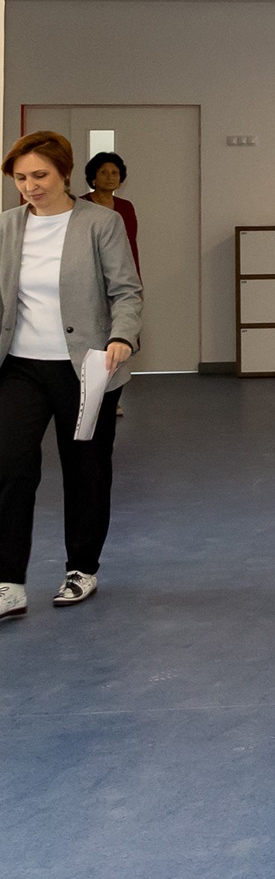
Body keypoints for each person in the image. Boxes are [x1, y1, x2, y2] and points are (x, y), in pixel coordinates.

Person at [0, 131, 142, 623]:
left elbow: (126, 291)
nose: (30, 186)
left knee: (86, 470)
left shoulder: (100, 223)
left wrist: (121, 337)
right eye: (20, 178)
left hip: (85, 368)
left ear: (64, 172)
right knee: (10, 467)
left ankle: (81, 568)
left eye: (40, 175)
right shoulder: (7, 226)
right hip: (19, 367)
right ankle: (8, 581)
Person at [82, 152, 140, 275]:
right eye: (103, 173)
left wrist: (136, 279)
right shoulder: (81, 205)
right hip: (89, 272)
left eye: (114, 173)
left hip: (120, 272)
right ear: (93, 178)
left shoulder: (126, 207)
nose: (110, 177)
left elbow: (130, 245)